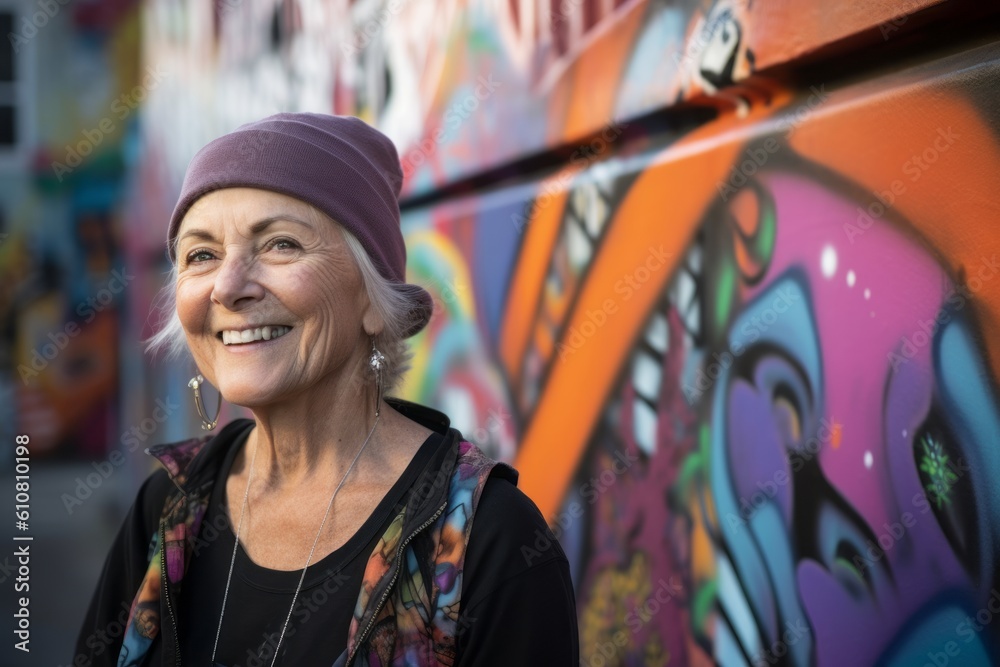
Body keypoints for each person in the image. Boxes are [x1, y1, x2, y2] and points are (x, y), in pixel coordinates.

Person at [75, 113, 578, 666]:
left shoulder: (490, 542)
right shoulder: (168, 509)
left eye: (281, 245)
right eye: (202, 254)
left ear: (371, 296)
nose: (228, 286)